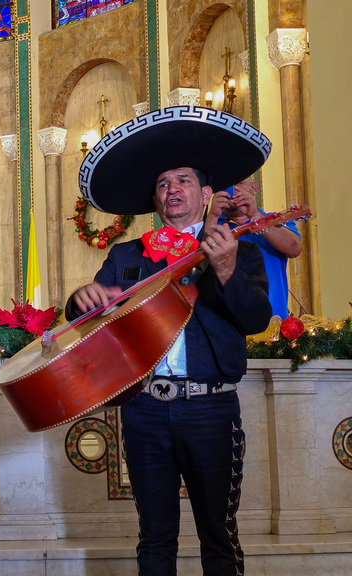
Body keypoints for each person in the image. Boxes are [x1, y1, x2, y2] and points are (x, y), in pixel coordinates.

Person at [69, 106, 273, 576]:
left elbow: (256, 319)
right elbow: (89, 313)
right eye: (163, 184)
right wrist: (82, 299)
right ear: (155, 200)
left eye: (182, 181)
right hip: (144, 410)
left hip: (210, 408)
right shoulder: (127, 254)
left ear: (205, 194)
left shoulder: (237, 248)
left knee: (218, 534)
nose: (172, 189)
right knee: (154, 535)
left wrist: (224, 272)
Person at [208, 178, 303, 318]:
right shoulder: (209, 225)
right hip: (225, 330)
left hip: (272, 326)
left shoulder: (275, 220)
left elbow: (294, 248)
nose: (233, 190)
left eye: (239, 182)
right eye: (226, 185)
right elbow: (195, 259)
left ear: (254, 188)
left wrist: (255, 217)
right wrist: (212, 216)